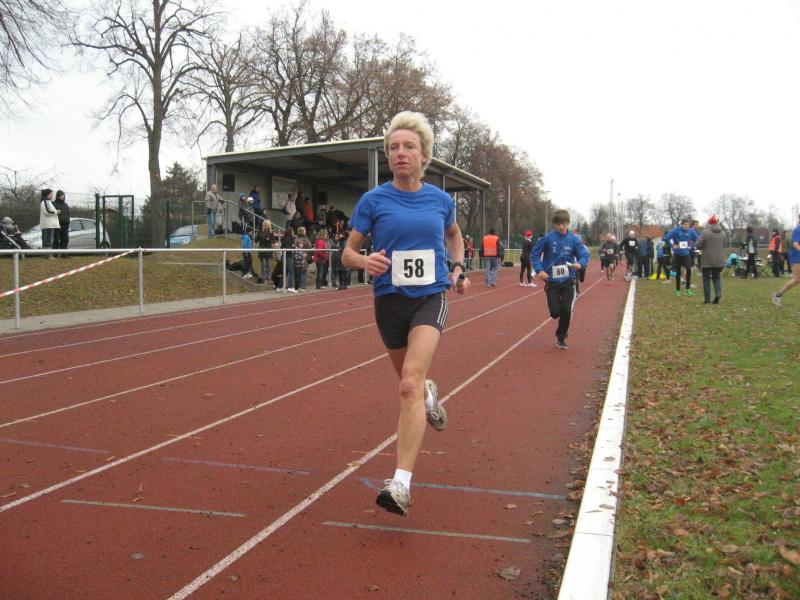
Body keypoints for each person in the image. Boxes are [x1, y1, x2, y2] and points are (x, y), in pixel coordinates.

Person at [342, 111, 469, 517]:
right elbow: (347, 253)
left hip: (430, 296)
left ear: (423, 154)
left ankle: (400, 484)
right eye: (394, 147)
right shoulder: (373, 200)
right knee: (411, 384)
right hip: (389, 301)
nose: (400, 153)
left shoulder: (440, 200)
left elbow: (454, 235)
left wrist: (458, 266)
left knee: (408, 382)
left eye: (408, 147)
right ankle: (430, 395)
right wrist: (364, 262)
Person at [532, 209, 590, 350]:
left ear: (568, 223)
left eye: (563, 223)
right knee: (555, 313)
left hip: (569, 280)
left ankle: (561, 337)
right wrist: (539, 270)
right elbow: (535, 254)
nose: (561, 226)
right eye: (558, 224)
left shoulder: (574, 239)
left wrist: (580, 263)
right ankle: (553, 310)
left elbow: (584, 254)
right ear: (555, 224)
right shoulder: (547, 238)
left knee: (566, 311)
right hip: (551, 280)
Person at [664, 217, 699, 297]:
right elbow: (666, 238)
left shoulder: (690, 231)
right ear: (682, 225)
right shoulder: (676, 230)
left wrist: (691, 246)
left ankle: (688, 289)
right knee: (678, 272)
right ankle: (678, 290)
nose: (687, 226)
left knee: (689, 270)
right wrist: (672, 246)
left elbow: (697, 238)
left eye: (688, 225)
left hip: (686, 254)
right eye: (685, 224)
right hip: (677, 254)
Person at [696, 215, 725, 304]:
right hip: (719, 259)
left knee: (706, 279)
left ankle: (707, 299)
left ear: (709, 223)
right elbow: (725, 244)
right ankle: (718, 293)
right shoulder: (723, 233)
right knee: (716, 277)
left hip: (707, 259)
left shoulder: (705, 232)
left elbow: (698, 245)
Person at [772, 214, 800, 306]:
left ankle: (778, 295)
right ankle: (778, 295)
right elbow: (795, 244)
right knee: (797, 279)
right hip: (796, 257)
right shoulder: (797, 229)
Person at [39, 188, 59, 258]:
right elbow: (47, 211)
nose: (52, 195)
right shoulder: (44, 202)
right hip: (48, 225)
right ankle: (48, 255)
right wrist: (56, 212)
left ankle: (46, 255)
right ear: (47, 194)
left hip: (50, 224)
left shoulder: (48, 202)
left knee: (48, 240)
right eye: (51, 194)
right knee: (48, 240)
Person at [256, 220, 276, 284]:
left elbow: (273, 242)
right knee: (263, 265)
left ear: (269, 225)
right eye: (264, 224)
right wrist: (258, 236)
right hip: (262, 250)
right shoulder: (260, 232)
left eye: (266, 225)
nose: (265, 226)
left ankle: (268, 278)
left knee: (269, 265)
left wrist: (270, 240)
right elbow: (256, 240)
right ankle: (263, 279)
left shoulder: (271, 233)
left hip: (269, 251)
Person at [51, 190, 70, 256]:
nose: (63, 197)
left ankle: (64, 254)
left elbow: (68, 214)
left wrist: (68, 222)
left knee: (65, 239)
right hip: (57, 225)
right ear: (58, 196)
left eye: (63, 195)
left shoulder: (65, 205)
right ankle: (55, 254)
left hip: (65, 225)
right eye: (61, 195)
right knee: (56, 240)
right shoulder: (54, 204)